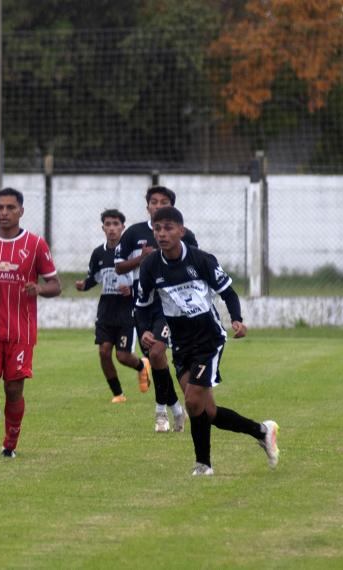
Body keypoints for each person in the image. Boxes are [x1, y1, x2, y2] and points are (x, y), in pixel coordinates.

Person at [136, 207, 279, 476]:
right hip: (180, 342)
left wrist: (236, 318)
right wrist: (144, 329)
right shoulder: (150, 266)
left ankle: (203, 465)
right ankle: (261, 430)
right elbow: (142, 305)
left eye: (168, 228)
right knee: (206, 410)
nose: (162, 233)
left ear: (181, 230)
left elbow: (228, 292)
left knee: (192, 400)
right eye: (158, 229)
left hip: (208, 339)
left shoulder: (202, 261)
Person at [0, 188, 62, 458]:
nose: (4, 213)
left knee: (13, 389)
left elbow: (56, 285)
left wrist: (39, 290)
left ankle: (9, 445)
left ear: (21, 211)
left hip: (21, 330)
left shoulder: (35, 244)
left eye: (9, 208)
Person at [115, 185, 197, 433]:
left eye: (164, 202)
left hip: (169, 306)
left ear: (172, 206)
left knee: (158, 352)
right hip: (143, 305)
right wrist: (143, 258)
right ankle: (174, 409)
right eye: (154, 202)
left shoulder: (185, 234)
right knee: (155, 358)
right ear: (147, 206)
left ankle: (160, 413)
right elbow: (118, 267)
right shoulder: (134, 233)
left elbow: (196, 266)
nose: (158, 206)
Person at [75, 209, 151, 403]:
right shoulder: (98, 253)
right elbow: (94, 277)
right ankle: (118, 394)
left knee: (123, 356)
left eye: (115, 224)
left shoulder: (131, 251)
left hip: (126, 309)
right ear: (103, 228)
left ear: (123, 227)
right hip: (106, 309)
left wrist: (132, 291)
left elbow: (144, 279)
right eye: (107, 224)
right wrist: (84, 286)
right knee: (104, 352)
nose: (111, 228)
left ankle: (142, 366)